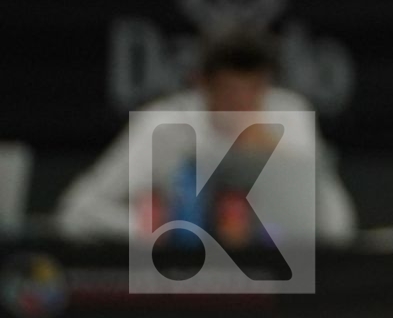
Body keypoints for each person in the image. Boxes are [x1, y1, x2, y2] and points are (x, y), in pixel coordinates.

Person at [55, 30, 357, 247]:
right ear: (202, 85)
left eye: (253, 91)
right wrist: (148, 231)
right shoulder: (162, 125)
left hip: (269, 280)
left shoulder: (289, 116)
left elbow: (338, 225)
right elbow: (77, 213)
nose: (242, 104)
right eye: (229, 92)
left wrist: (277, 159)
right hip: (177, 280)